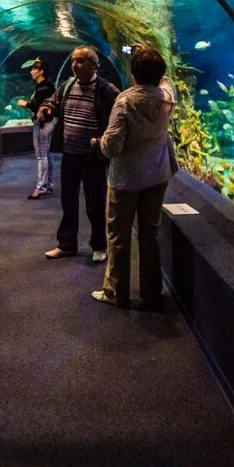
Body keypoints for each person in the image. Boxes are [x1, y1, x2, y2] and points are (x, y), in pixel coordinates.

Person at [90, 45, 177, 311]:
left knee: (118, 235)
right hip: (157, 175)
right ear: (160, 72)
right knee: (150, 234)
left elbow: (112, 146)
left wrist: (98, 142)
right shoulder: (166, 97)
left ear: (132, 72)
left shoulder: (125, 101)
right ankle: (151, 293)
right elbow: (167, 82)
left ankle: (116, 291)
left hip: (126, 180)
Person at [36, 45, 120, 262]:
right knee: (68, 201)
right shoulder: (68, 85)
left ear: (93, 64)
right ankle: (67, 244)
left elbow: (121, 112)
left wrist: (106, 142)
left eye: (81, 61)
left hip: (93, 157)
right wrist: (45, 109)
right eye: (74, 60)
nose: (75, 64)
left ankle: (99, 246)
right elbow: (53, 101)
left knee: (95, 203)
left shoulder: (105, 89)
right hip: (70, 154)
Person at [17, 58, 56, 199]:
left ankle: (41, 188)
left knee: (41, 156)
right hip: (47, 124)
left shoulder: (43, 87)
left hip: (43, 125)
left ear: (41, 71)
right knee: (47, 155)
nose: (31, 71)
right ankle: (49, 185)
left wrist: (25, 104)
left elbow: (41, 108)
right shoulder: (46, 86)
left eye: (34, 69)